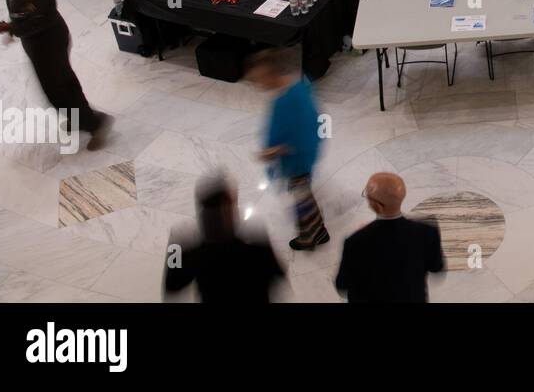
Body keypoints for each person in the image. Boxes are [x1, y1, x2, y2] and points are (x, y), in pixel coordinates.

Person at [0, 0, 111, 150]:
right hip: (37, 40)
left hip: (47, 41)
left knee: (60, 89)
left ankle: (94, 123)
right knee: (60, 84)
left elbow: (34, 21)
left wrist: (10, 27)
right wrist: (12, 26)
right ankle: (80, 117)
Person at [246, 49, 329, 250]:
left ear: (271, 74)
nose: (258, 84)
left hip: (296, 161)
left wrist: (273, 151)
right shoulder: (297, 88)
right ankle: (319, 230)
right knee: (303, 193)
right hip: (301, 156)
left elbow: (298, 134)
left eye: (259, 79)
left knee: (301, 197)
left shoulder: (287, 100)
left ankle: (309, 236)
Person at [164, 173, 285, 303]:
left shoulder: (185, 243)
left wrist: (175, 248)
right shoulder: (254, 235)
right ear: (230, 205)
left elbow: (172, 284)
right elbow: (277, 273)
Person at [335, 172, 445, 302]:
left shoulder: (355, 242)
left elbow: (342, 285)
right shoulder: (427, 232)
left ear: (377, 206)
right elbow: (436, 267)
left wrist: (363, 234)